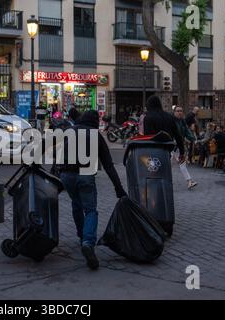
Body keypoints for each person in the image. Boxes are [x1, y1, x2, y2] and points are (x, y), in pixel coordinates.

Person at [58, 110, 128, 270]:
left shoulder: (70, 132)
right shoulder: (96, 135)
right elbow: (109, 166)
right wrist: (119, 188)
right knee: (90, 210)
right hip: (85, 175)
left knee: (76, 204)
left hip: (67, 175)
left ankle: (81, 235)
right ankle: (88, 242)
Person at [141, 96, 186, 162]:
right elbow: (178, 135)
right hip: (166, 150)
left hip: (153, 152)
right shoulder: (169, 117)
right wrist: (182, 152)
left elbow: (148, 136)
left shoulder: (148, 117)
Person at [173, 106, 198, 189]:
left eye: (181, 111)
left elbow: (187, 131)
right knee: (168, 165)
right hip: (170, 146)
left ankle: (189, 181)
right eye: (178, 111)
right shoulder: (171, 121)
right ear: (174, 112)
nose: (180, 112)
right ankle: (166, 182)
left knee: (182, 165)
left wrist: (193, 139)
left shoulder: (183, 121)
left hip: (180, 147)